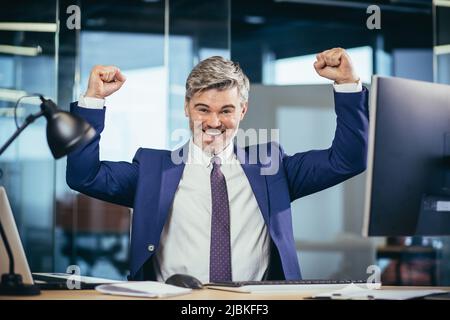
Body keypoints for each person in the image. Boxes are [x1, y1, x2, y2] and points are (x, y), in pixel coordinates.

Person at [66, 47, 369, 283]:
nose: (213, 122)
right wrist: (93, 100)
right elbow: (85, 176)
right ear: (186, 107)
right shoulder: (152, 170)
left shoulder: (272, 167)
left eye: (226, 110)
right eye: (202, 109)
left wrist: (347, 85)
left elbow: (346, 160)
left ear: (243, 110)